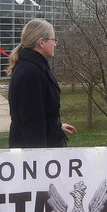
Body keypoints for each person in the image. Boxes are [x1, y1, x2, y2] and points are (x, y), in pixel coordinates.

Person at [8, 19, 75, 148]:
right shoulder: (31, 72)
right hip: (39, 158)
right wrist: (40, 162)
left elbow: (37, 115)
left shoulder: (33, 67)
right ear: (41, 42)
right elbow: (31, 125)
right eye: (53, 40)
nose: (55, 44)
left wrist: (56, 127)